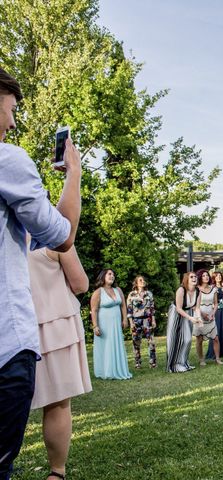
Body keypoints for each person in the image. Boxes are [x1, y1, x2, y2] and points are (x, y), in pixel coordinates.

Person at [0, 67, 81, 479]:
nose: (13, 121)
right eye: (11, 108)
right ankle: (57, 471)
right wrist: (74, 174)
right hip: (9, 342)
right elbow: (62, 235)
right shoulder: (7, 160)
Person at [28, 245, 91, 480]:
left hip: (12, 325)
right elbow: (80, 284)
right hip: (55, 324)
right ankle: (57, 472)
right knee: (57, 404)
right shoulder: (50, 231)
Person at [90, 269, 132, 380]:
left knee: (116, 344)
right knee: (106, 347)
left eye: (113, 274)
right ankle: (106, 371)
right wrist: (95, 326)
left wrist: (125, 319)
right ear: (103, 276)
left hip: (116, 324)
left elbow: (123, 305)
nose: (112, 276)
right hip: (104, 325)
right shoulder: (98, 292)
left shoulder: (117, 290)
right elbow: (94, 310)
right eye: (109, 274)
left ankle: (118, 369)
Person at [166, 272, 203, 373]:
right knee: (175, 339)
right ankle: (174, 365)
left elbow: (197, 307)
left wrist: (198, 318)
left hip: (188, 313)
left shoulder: (198, 291)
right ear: (186, 279)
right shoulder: (181, 290)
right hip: (176, 314)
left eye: (195, 276)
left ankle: (183, 363)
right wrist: (191, 318)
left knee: (187, 339)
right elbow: (178, 308)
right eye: (191, 277)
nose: (194, 278)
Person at [126, 276, 157, 369]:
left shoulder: (149, 294)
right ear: (136, 283)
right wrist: (131, 323)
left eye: (143, 280)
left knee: (151, 341)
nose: (143, 281)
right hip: (136, 320)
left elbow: (152, 308)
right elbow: (129, 310)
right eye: (140, 280)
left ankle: (153, 362)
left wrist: (154, 320)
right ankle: (137, 363)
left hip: (147, 320)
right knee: (136, 342)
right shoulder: (131, 295)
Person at [194, 270, 222, 366]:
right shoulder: (196, 289)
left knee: (215, 338)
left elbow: (216, 303)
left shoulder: (213, 289)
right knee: (199, 340)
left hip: (210, 317)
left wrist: (213, 313)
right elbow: (193, 305)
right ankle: (201, 359)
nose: (206, 277)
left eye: (207, 275)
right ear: (200, 278)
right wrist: (202, 314)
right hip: (199, 317)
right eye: (203, 276)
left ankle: (217, 359)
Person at [207, 271, 223, 360]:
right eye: (217, 276)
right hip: (215, 311)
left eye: (220, 276)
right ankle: (212, 352)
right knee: (216, 331)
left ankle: (222, 352)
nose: (219, 277)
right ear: (214, 278)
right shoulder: (212, 288)